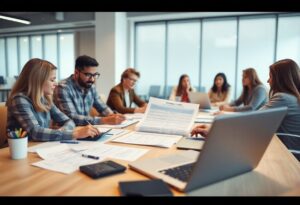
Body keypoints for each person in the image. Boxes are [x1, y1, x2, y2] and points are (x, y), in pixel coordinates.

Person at [6, 58, 100, 141]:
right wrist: (75, 133)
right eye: (52, 80)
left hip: (40, 146)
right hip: (19, 152)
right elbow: (36, 132)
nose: (56, 84)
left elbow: (69, 121)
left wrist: (60, 132)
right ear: (37, 81)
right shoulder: (19, 100)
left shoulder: (45, 99)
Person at [53, 55, 125, 126]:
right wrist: (103, 120)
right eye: (88, 75)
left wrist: (114, 116)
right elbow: (71, 117)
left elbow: (102, 108)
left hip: (86, 129)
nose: (92, 79)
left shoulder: (91, 87)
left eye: (94, 75)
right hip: (68, 132)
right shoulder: (63, 88)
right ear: (77, 73)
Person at [260, 59, 300, 159]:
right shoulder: (294, 98)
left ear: (281, 79)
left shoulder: (283, 98)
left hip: (289, 155)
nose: (268, 81)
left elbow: (253, 120)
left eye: (270, 76)